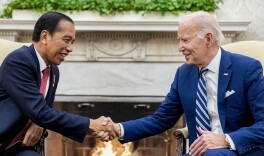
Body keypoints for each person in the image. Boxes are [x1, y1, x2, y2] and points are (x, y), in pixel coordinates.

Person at [104, 11, 264, 156]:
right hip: (199, 153)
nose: (180, 47)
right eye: (179, 40)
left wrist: (226, 139)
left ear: (208, 39)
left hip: (240, 150)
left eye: (185, 40)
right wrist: (118, 128)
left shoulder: (246, 68)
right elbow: (162, 119)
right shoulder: (184, 73)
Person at [0, 11, 115, 156]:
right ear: (45, 37)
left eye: (72, 42)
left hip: (20, 146)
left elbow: (44, 111)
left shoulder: (53, 71)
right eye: (66, 40)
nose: (70, 48)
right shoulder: (19, 61)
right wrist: (91, 124)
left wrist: (39, 124)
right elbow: (40, 112)